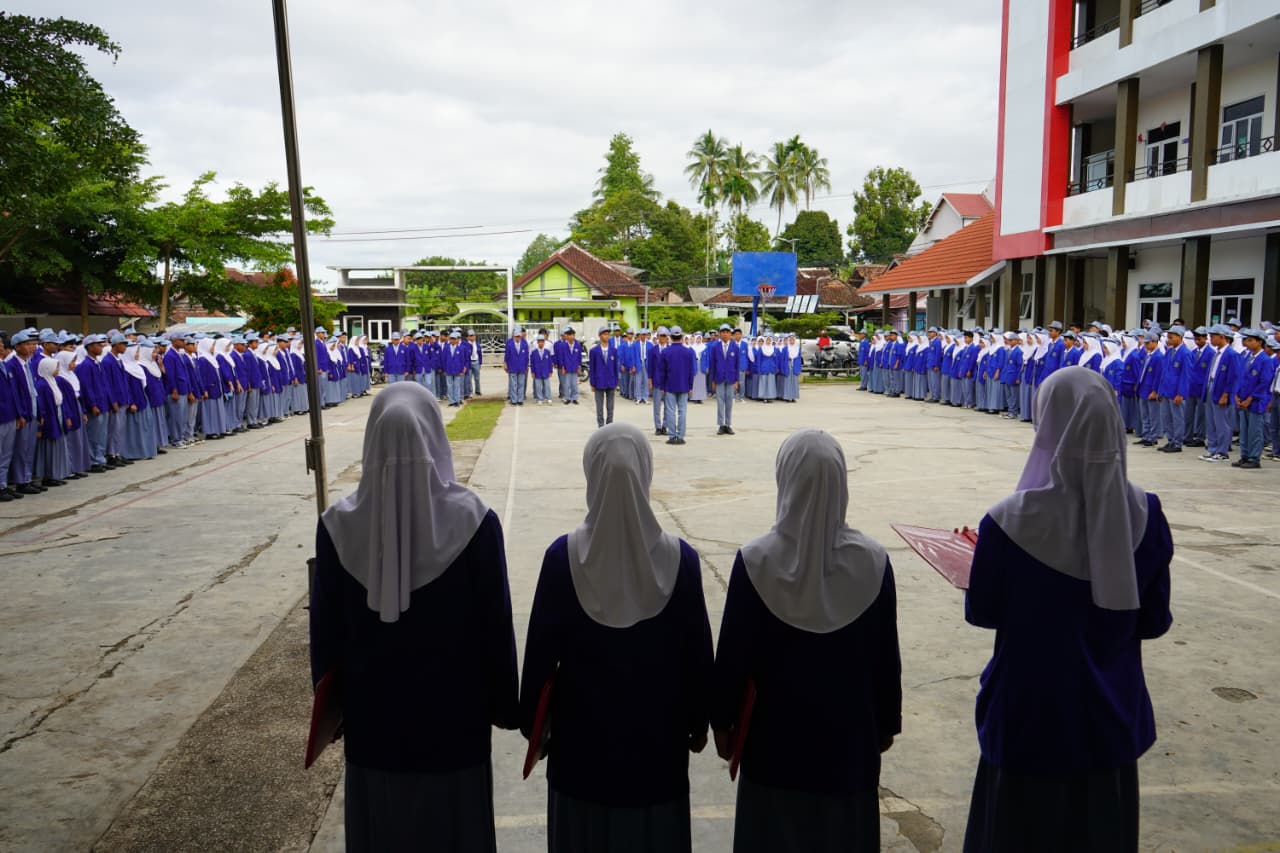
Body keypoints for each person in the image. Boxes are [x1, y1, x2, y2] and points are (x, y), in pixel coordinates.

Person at [962, 368, 1172, 853]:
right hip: (1110, 717)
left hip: (1027, 718)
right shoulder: (1147, 514)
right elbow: (1154, 621)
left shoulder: (1007, 522)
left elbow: (983, 613)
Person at [520, 422, 713, 853]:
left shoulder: (561, 558)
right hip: (658, 756)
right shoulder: (680, 562)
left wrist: (531, 724)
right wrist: (700, 724)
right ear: (646, 473)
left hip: (579, 756)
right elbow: (699, 657)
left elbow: (537, 660)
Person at [711, 429, 900, 853]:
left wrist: (721, 723)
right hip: (848, 753)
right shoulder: (873, 562)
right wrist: (886, 725)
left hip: (773, 752)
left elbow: (733, 657)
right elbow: (885, 659)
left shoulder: (756, 561)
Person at [1231, 328, 1275, 470]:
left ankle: (1254, 457)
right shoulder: (1247, 357)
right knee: (1244, 430)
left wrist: (1251, 398)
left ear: (1259, 342)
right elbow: (1241, 378)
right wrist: (1237, 395)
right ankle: (1245, 455)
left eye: (1250, 340)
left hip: (1256, 401)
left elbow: (1264, 382)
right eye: (1246, 340)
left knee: (1255, 431)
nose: (1247, 343)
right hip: (1243, 399)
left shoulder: (1265, 360)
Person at [33, 357, 71, 487]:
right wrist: (41, 424)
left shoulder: (53, 382)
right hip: (49, 420)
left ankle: (55, 474)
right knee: (48, 449)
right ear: (47, 368)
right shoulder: (42, 385)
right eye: (56, 367)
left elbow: (59, 400)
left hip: (57, 416)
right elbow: (42, 405)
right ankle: (47, 476)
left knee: (57, 447)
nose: (57, 370)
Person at [659, 327, 696, 445]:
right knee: (682, 411)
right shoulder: (689, 352)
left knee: (670, 411)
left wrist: (662, 387)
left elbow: (662, 371)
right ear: (681, 337)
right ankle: (680, 436)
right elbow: (692, 371)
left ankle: (672, 435)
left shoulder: (665, 352)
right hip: (684, 385)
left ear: (670, 337)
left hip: (669, 386)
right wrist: (690, 386)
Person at [708, 324, 740, 436]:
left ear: (730, 334)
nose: (725, 334)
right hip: (719, 377)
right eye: (723, 332)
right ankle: (721, 425)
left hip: (731, 378)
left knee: (729, 402)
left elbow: (737, 364)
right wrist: (712, 380)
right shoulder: (715, 347)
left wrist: (737, 380)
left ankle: (728, 424)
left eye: (727, 332)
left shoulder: (735, 347)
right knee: (720, 401)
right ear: (720, 334)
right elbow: (712, 364)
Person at [588, 326, 618, 428]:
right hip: (599, 381)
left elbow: (615, 367)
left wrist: (616, 382)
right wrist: (592, 383)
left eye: (608, 334)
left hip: (610, 381)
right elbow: (592, 368)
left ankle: (609, 426)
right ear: (600, 336)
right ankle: (601, 426)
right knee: (599, 406)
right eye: (604, 334)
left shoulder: (613, 350)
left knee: (610, 406)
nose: (607, 336)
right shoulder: (594, 351)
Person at [556, 327, 583, 406]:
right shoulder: (563, 345)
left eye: (572, 335)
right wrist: (563, 367)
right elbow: (561, 357)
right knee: (566, 384)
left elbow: (579, 357)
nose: (571, 337)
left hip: (574, 367)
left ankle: (574, 398)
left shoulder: (577, 345)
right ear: (566, 336)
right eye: (569, 335)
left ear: (574, 336)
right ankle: (567, 398)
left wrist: (579, 367)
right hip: (566, 367)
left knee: (574, 384)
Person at [504, 327, 530, 406]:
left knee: (521, 384)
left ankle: (520, 400)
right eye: (516, 336)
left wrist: (526, 366)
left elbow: (526, 356)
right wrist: (505, 364)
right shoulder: (509, 344)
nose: (517, 338)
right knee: (513, 384)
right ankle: (514, 400)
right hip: (512, 366)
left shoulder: (524, 344)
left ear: (521, 336)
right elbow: (507, 355)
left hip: (522, 367)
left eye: (519, 336)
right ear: (514, 336)